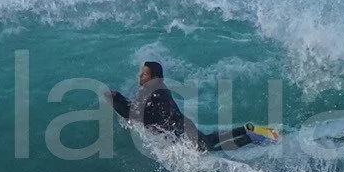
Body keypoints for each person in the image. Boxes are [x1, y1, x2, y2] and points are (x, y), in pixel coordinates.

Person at [108, 61, 269, 152]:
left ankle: (252, 137)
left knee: (211, 148)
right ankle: (246, 128)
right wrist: (119, 98)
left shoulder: (156, 93)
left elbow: (136, 115)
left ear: (154, 77)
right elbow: (137, 110)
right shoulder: (154, 90)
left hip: (184, 132)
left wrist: (116, 99)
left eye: (145, 74)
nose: (140, 76)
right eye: (141, 73)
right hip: (185, 128)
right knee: (210, 139)